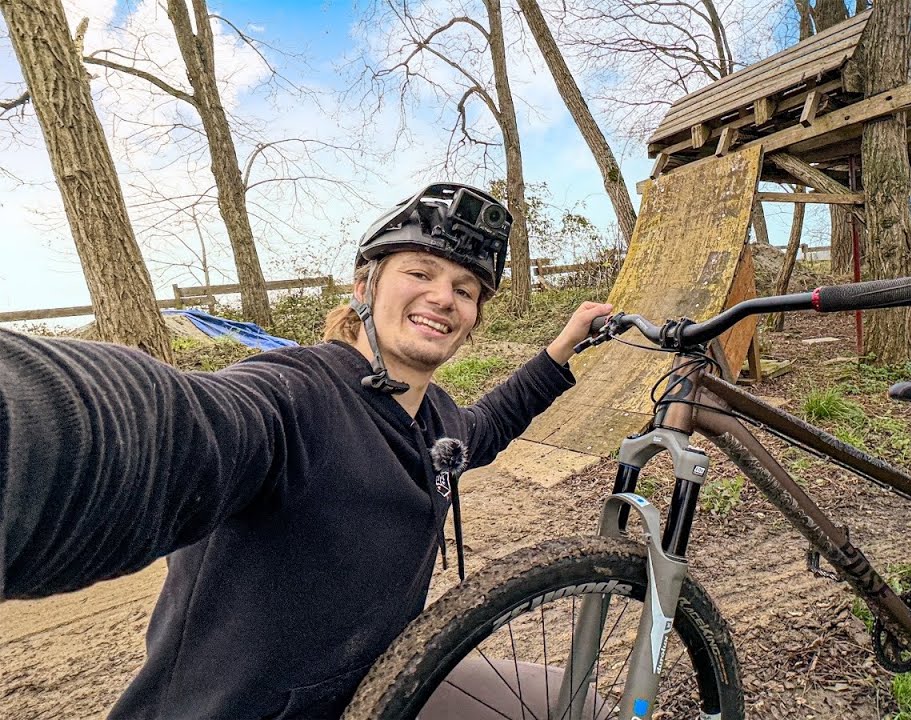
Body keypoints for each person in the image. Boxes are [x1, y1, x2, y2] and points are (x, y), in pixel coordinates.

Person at [0, 183, 612, 718]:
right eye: (420, 273)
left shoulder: (436, 419)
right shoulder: (291, 397)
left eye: (465, 288)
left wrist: (561, 350)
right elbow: (172, 428)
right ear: (364, 289)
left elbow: (488, 425)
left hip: (382, 691)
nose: (445, 298)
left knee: (588, 704)